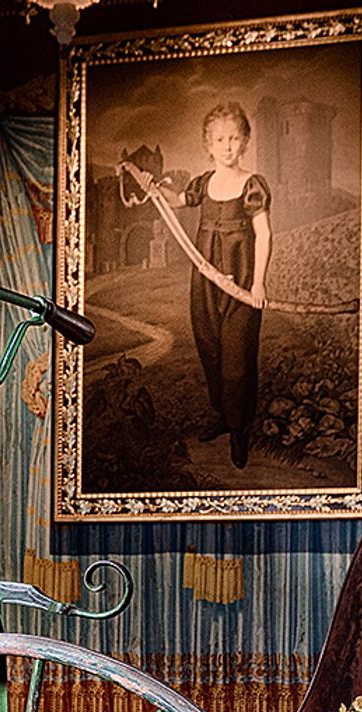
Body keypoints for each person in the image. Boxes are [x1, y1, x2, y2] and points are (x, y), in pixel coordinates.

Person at [127, 104, 272, 468]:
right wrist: (155, 188)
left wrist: (258, 282)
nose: (227, 146)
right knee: (209, 347)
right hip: (205, 278)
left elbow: (264, 233)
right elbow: (177, 201)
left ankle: (240, 430)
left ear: (245, 142)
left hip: (239, 282)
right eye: (219, 139)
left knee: (237, 361)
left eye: (234, 138)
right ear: (209, 144)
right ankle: (223, 415)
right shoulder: (204, 183)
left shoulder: (252, 185)